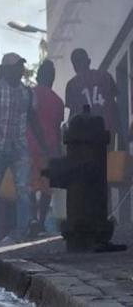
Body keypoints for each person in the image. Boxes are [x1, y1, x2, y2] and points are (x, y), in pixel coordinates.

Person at [0, 52, 45, 245]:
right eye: (16, 67)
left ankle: (21, 232)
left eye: (20, 67)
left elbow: (33, 120)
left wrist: (44, 145)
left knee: (23, 190)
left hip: (19, 148)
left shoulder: (27, 93)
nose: (20, 71)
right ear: (6, 70)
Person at [65, 48, 126, 223]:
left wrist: (69, 139)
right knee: (103, 174)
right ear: (89, 61)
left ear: (74, 66)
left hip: (85, 138)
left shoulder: (72, 84)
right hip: (106, 132)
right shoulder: (106, 77)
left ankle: (91, 215)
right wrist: (121, 135)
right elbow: (115, 107)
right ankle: (103, 214)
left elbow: (73, 115)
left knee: (87, 176)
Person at [28, 60, 64, 233]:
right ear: (52, 78)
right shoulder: (58, 101)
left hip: (28, 146)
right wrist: (57, 152)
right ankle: (41, 221)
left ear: (37, 76)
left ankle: (32, 220)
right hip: (48, 150)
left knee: (29, 186)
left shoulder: (29, 94)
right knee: (46, 189)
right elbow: (57, 130)